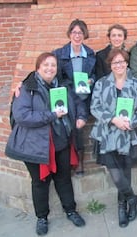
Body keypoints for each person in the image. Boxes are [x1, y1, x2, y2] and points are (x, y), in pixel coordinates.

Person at [5, 52, 88, 236]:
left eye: (53, 65)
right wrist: (51, 115)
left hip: (62, 142)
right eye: (46, 65)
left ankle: (70, 210)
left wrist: (81, 116)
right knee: (40, 182)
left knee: (64, 179)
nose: (50, 69)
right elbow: (22, 116)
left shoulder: (63, 86)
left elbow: (77, 103)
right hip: (37, 145)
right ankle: (42, 217)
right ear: (38, 68)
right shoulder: (27, 88)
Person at [90, 48, 137, 227]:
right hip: (108, 135)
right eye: (115, 63)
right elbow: (95, 107)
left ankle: (123, 207)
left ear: (126, 63)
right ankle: (131, 199)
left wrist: (132, 122)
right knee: (116, 175)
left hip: (128, 135)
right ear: (110, 65)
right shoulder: (101, 84)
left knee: (125, 172)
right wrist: (113, 119)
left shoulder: (136, 84)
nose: (119, 65)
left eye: (122, 62)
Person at [53, 18, 96, 175]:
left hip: (84, 96)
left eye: (80, 32)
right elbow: (56, 78)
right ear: (69, 34)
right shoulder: (59, 54)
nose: (77, 35)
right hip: (69, 96)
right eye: (74, 32)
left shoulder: (90, 54)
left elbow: (94, 74)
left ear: (84, 35)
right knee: (70, 128)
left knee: (79, 127)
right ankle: (70, 163)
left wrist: (91, 80)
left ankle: (79, 162)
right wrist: (70, 85)